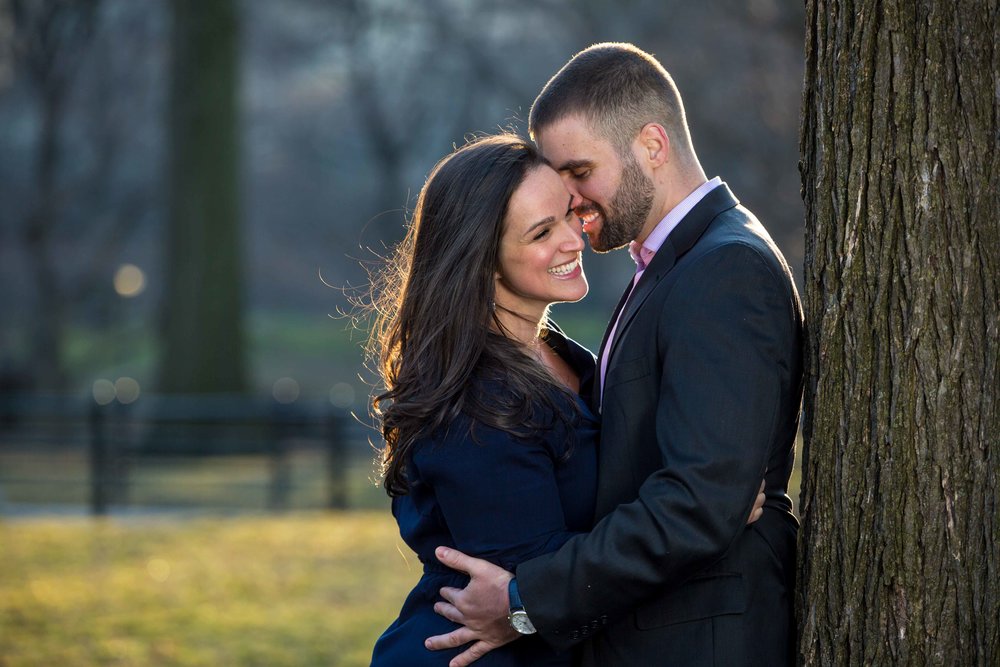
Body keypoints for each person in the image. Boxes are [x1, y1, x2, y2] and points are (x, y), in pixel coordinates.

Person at [425, 43, 804, 667]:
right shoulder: (669, 265)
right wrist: (721, 499)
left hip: (700, 642)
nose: (571, 202)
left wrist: (524, 599)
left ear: (652, 145)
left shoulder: (724, 266)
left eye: (578, 172)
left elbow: (700, 503)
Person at [367, 133, 601, 666]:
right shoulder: (477, 403)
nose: (574, 239)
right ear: (486, 263)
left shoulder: (562, 356)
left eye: (569, 214)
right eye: (543, 232)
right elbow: (537, 575)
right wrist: (693, 515)